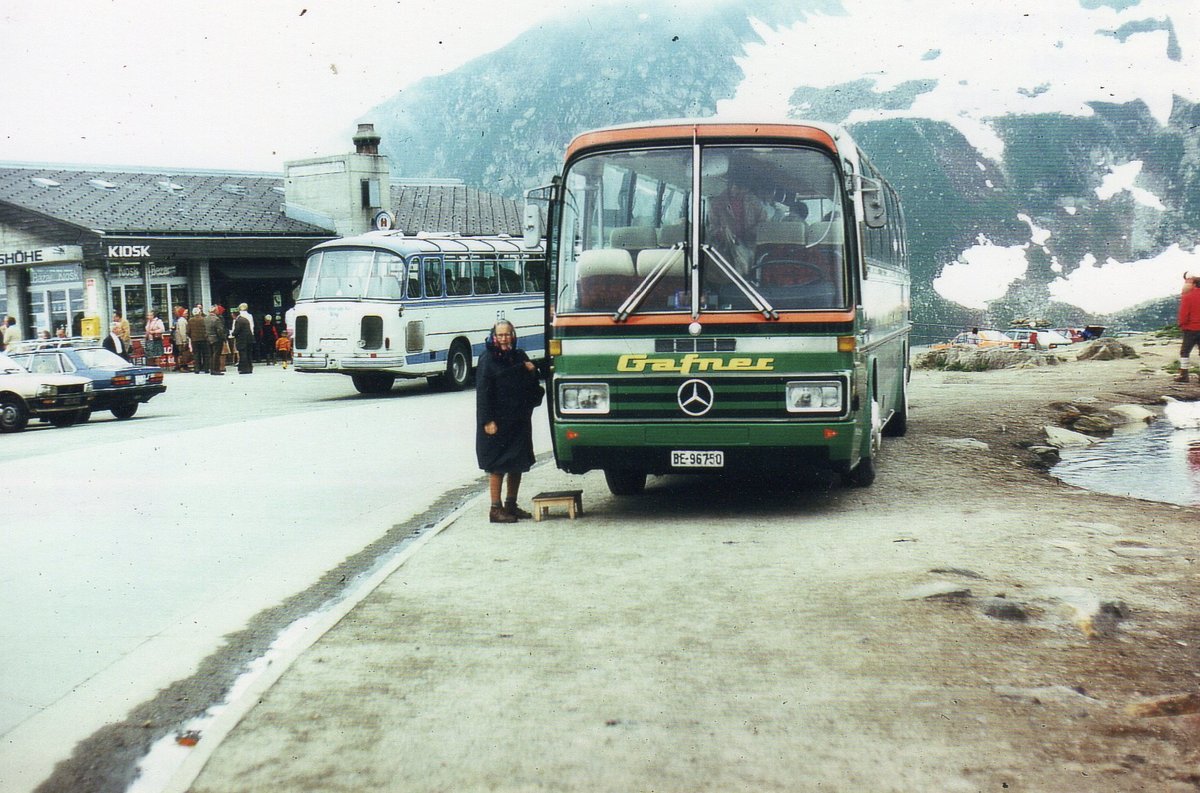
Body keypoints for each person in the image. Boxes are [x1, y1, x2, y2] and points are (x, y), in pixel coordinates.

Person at [475, 320, 542, 523]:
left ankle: (510, 505)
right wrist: (487, 421)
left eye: (507, 335)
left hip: (518, 420)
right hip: (497, 421)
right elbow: (483, 394)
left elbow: (533, 384)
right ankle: (495, 509)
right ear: (494, 337)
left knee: (517, 463)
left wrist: (532, 370)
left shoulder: (519, 356)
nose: (504, 339)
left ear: (513, 335)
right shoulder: (487, 359)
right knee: (497, 464)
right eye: (500, 335)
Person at [707, 164, 767, 274]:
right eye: (737, 187)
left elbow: (764, 226)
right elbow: (712, 228)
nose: (739, 192)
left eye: (744, 189)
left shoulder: (755, 203)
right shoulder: (717, 203)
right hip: (725, 251)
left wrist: (751, 233)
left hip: (751, 250)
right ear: (731, 185)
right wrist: (722, 233)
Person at [1176, 271, 1200, 383]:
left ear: (1194, 284)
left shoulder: (1188, 296)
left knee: (1185, 351)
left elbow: (1184, 313)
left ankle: (1184, 375)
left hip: (1191, 329)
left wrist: (1182, 324)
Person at [205, 306, 227, 375]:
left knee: (211, 354)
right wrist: (223, 338)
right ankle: (216, 369)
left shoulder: (206, 318)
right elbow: (220, 330)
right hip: (216, 339)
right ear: (215, 311)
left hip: (208, 338)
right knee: (216, 354)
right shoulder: (216, 319)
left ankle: (211, 369)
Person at [187, 307, 209, 374]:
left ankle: (197, 369)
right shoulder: (204, 319)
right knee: (205, 354)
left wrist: (192, 337)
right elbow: (207, 329)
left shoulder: (190, 320)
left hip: (195, 340)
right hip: (204, 339)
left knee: (196, 354)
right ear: (199, 312)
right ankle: (206, 368)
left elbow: (188, 331)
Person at [232, 308, 254, 374]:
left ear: (234, 315)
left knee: (243, 354)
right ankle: (249, 368)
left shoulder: (238, 320)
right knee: (248, 354)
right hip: (249, 339)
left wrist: (232, 334)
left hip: (242, 340)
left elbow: (237, 330)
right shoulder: (244, 319)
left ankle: (244, 369)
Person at [172, 306, 191, 371]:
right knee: (184, 354)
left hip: (179, 340)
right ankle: (183, 367)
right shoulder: (182, 321)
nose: (187, 314)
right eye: (185, 313)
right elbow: (183, 332)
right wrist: (184, 341)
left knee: (182, 353)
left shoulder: (179, 320)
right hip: (181, 340)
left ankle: (183, 366)